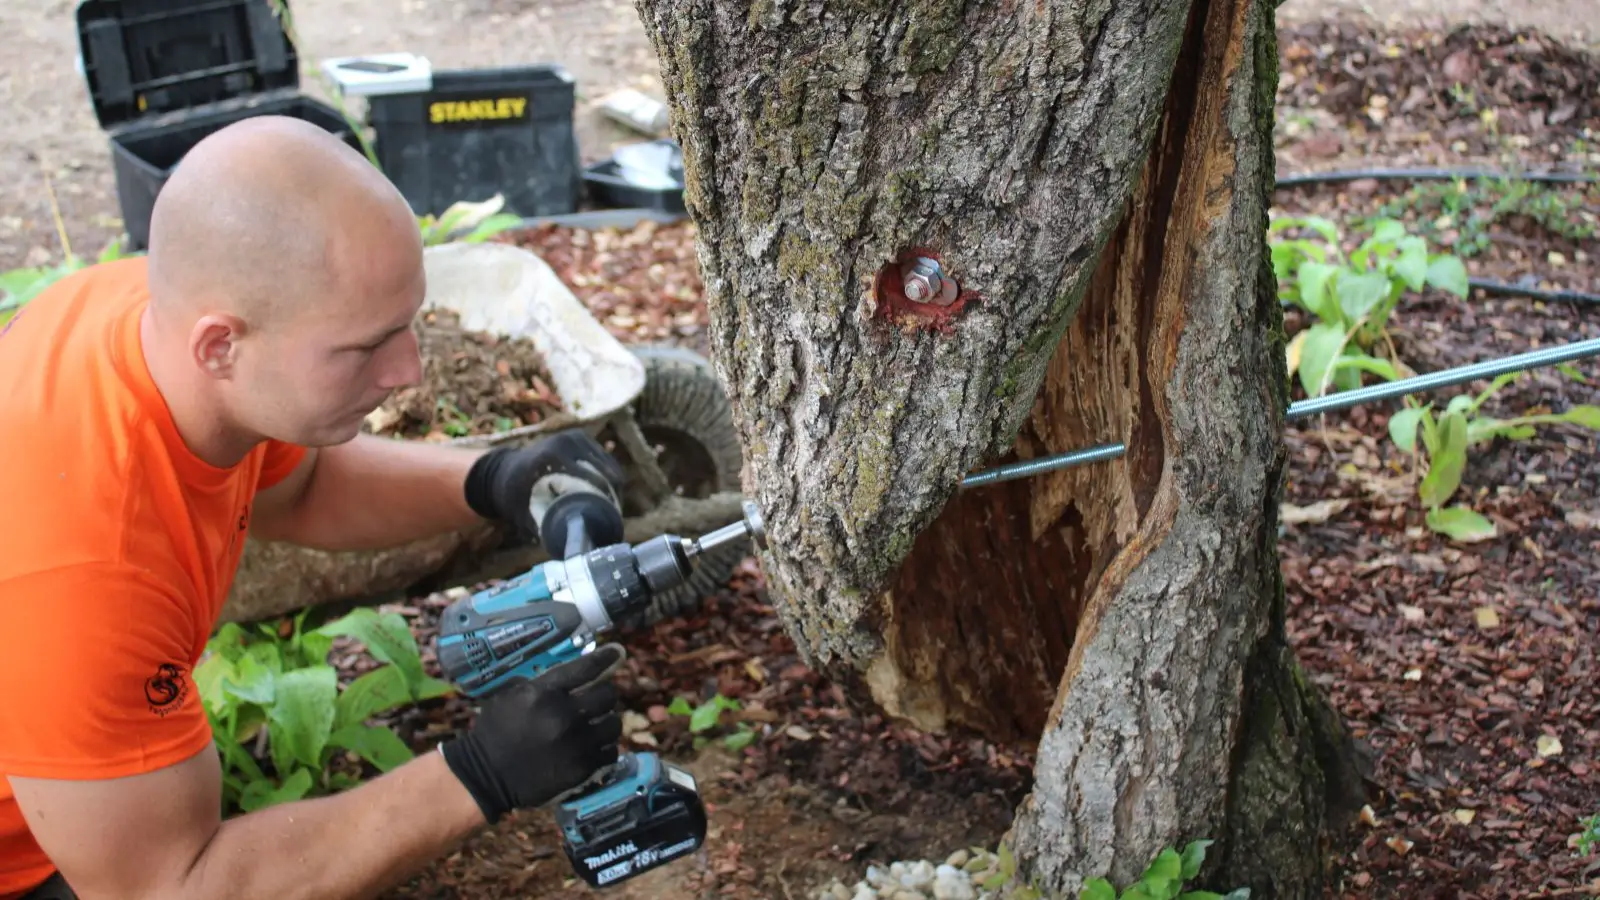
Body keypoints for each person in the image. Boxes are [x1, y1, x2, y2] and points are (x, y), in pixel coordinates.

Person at [0, 116, 632, 900]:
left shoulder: (157, 320)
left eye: (406, 324)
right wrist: (478, 775)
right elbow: (165, 885)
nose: (409, 370)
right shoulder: (84, 574)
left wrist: (493, 480)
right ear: (219, 347)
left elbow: (302, 488)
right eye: (366, 347)